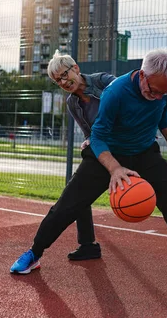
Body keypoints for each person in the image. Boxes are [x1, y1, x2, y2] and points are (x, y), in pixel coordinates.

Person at [10, 48, 167, 300]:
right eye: (153, 90)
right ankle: (34, 253)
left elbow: (161, 110)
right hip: (107, 154)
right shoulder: (115, 91)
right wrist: (115, 168)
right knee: (68, 205)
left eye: (164, 92)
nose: (157, 96)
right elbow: (96, 136)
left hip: (144, 153)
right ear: (142, 76)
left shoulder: (164, 87)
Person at [48, 51, 116, 260]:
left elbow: (128, 99)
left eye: (64, 74)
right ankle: (88, 245)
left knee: (166, 191)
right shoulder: (71, 103)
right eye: (57, 80)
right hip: (104, 150)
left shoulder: (104, 81)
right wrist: (88, 139)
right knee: (80, 194)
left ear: (75, 68)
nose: (63, 81)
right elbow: (88, 131)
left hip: (129, 144)